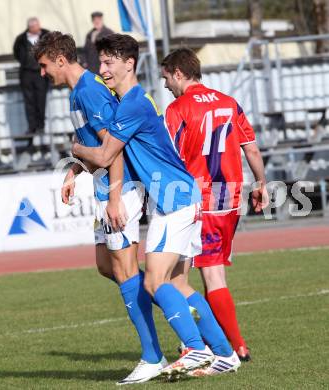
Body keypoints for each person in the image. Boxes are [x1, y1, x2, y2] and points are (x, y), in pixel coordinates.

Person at [71, 33, 232, 379]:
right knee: (177, 285)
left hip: (173, 200)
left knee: (153, 282)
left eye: (108, 62)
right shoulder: (131, 101)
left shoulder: (132, 104)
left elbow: (103, 154)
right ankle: (224, 352)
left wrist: (75, 150)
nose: (102, 70)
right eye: (101, 63)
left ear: (129, 63)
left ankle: (195, 349)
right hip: (180, 197)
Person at [33, 31, 167, 385]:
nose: (43, 73)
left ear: (60, 60)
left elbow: (114, 146)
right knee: (107, 267)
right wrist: (74, 172)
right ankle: (179, 309)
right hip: (106, 187)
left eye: (45, 66)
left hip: (118, 189)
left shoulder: (90, 90)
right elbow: (94, 144)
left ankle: (154, 355)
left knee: (125, 272)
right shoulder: (80, 91)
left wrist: (113, 198)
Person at [161, 48, 269, 374]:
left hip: (201, 199)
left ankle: (236, 348)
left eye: (166, 77)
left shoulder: (178, 109)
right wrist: (261, 182)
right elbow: (250, 147)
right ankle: (214, 340)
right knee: (212, 269)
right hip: (231, 198)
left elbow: (171, 157)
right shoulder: (229, 102)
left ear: (179, 73)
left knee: (205, 274)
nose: (165, 84)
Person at [13, 17, 49, 135]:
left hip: (41, 72)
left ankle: (41, 126)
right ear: (30, 27)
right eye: (34, 26)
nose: (37, 28)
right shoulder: (21, 39)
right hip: (26, 73)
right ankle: (31, 127)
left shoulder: (46, 35)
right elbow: (16, 53)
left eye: (38, 25)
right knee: (29, 101)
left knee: (41, 100)